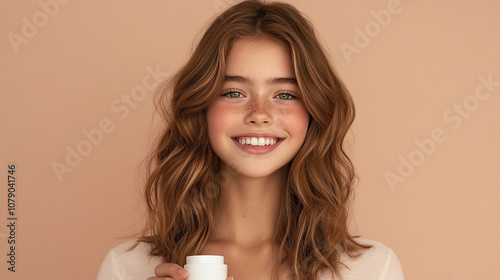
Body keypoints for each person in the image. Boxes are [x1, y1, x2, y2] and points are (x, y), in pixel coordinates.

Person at [96, 1, 404, 279]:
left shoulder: (372, 269)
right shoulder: (127, 268)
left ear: (314, 113)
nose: (259, 114)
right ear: (201, 107)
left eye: (285, 94)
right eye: (233, 93)